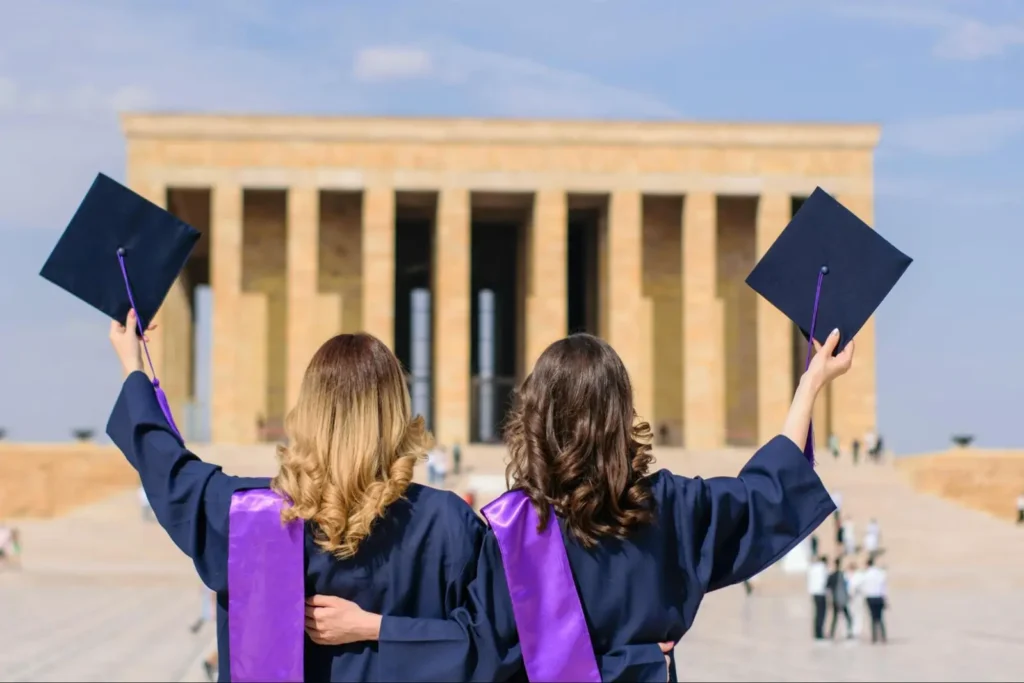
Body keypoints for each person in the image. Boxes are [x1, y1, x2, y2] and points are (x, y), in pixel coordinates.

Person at [305, 329, 852, 680]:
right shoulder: (677, 509)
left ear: (535, 416)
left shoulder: (512, 532)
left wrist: (374, 627)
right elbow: (769, 493)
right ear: (620, 414)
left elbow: (483, 657)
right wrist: (810, 385)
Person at [862, 557, 888, 644]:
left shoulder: (866, 574)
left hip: (870, 597)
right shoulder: (880, 573)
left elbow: (863, 586)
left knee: (873, 618)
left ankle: (874, 637)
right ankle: (883, 637)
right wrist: (885, 598)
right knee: (880, 618)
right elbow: (883, 586)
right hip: (879, 597)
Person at [826, 557, 853, 639]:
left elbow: (828, 588)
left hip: (835, 599)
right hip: (842, 599)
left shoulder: (832, 575)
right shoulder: (842, 575)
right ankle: (849, 632)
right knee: (848, 617)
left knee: (835, 618)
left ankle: (831, 634)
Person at [807, 555, 829, 641]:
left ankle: (816, 632)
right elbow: (825, 581)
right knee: (821, 614)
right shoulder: (823, 569)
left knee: (817, 613)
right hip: (821, 593)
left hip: (814, 593)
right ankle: (820, 633)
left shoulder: (813, 568)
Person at [847, 561, 866, 637]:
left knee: (858, 614)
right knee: (850, 614)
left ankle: (857, 630)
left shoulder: (859, 575)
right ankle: (850, 630)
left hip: (858, 597)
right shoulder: (847, 575)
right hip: (849, 598)